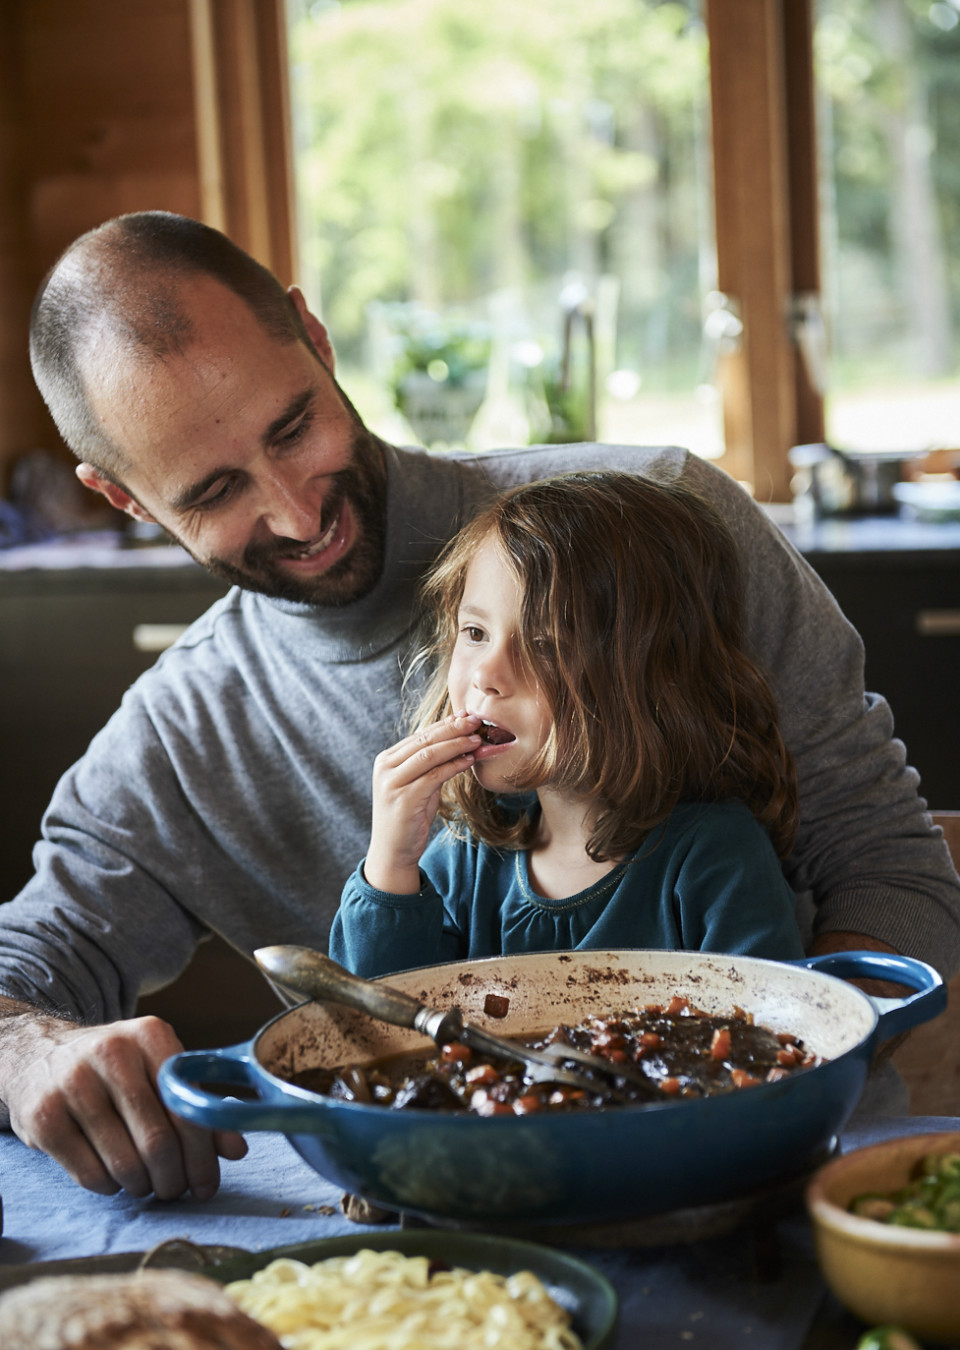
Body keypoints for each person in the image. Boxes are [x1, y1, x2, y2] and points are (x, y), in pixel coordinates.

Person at [0, 210, 956, 1205]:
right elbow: (29, 961)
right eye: (213, 492)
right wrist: (24, 1050)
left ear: (316, 340)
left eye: (294, 426)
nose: (295, 510)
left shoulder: (661, 524)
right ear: (124, 500)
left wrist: (770, 1085)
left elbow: (886, 859)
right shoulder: (177, 739)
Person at [331, 470, 807, 978]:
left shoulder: (719, 861)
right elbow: (377, 1025)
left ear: (651, 680)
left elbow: (768, 1037)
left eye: (545, 645)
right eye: (474, 631)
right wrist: (391, 866)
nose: (486, 675)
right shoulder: (466, 859)